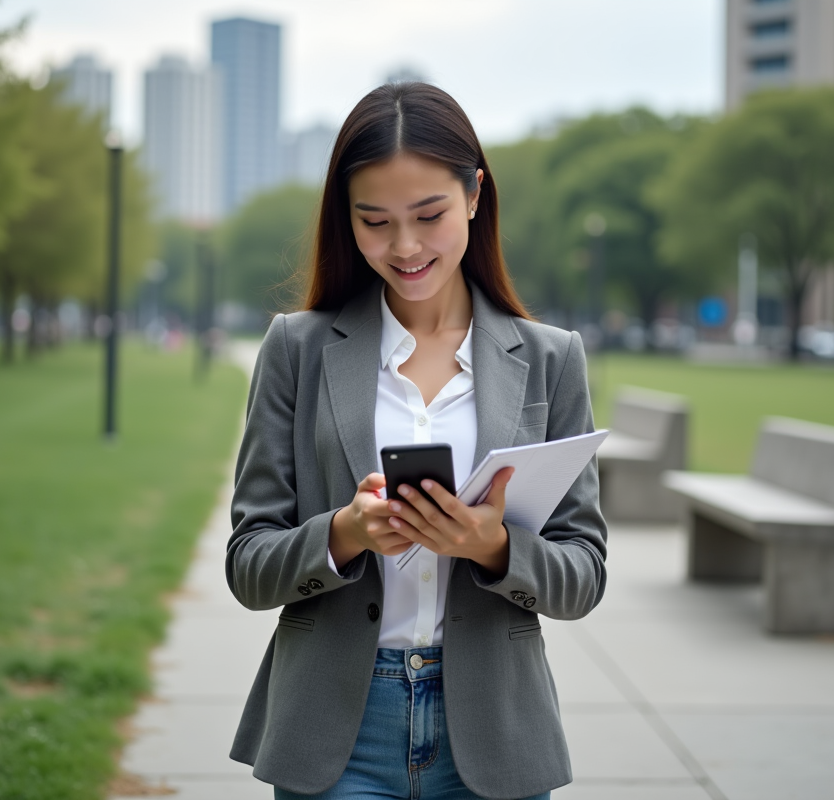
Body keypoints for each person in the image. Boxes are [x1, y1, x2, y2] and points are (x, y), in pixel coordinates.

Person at [226, 82, 608, 800]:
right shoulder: (296, 350)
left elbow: (583, 573)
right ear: (347, 219)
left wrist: (489, 548)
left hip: (494, 733)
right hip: (337, 731)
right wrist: (345, 533)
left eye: (429, 214)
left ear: (473, 196)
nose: (404, 248)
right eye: (374, 221)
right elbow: (249, 566)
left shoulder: (551, 359)